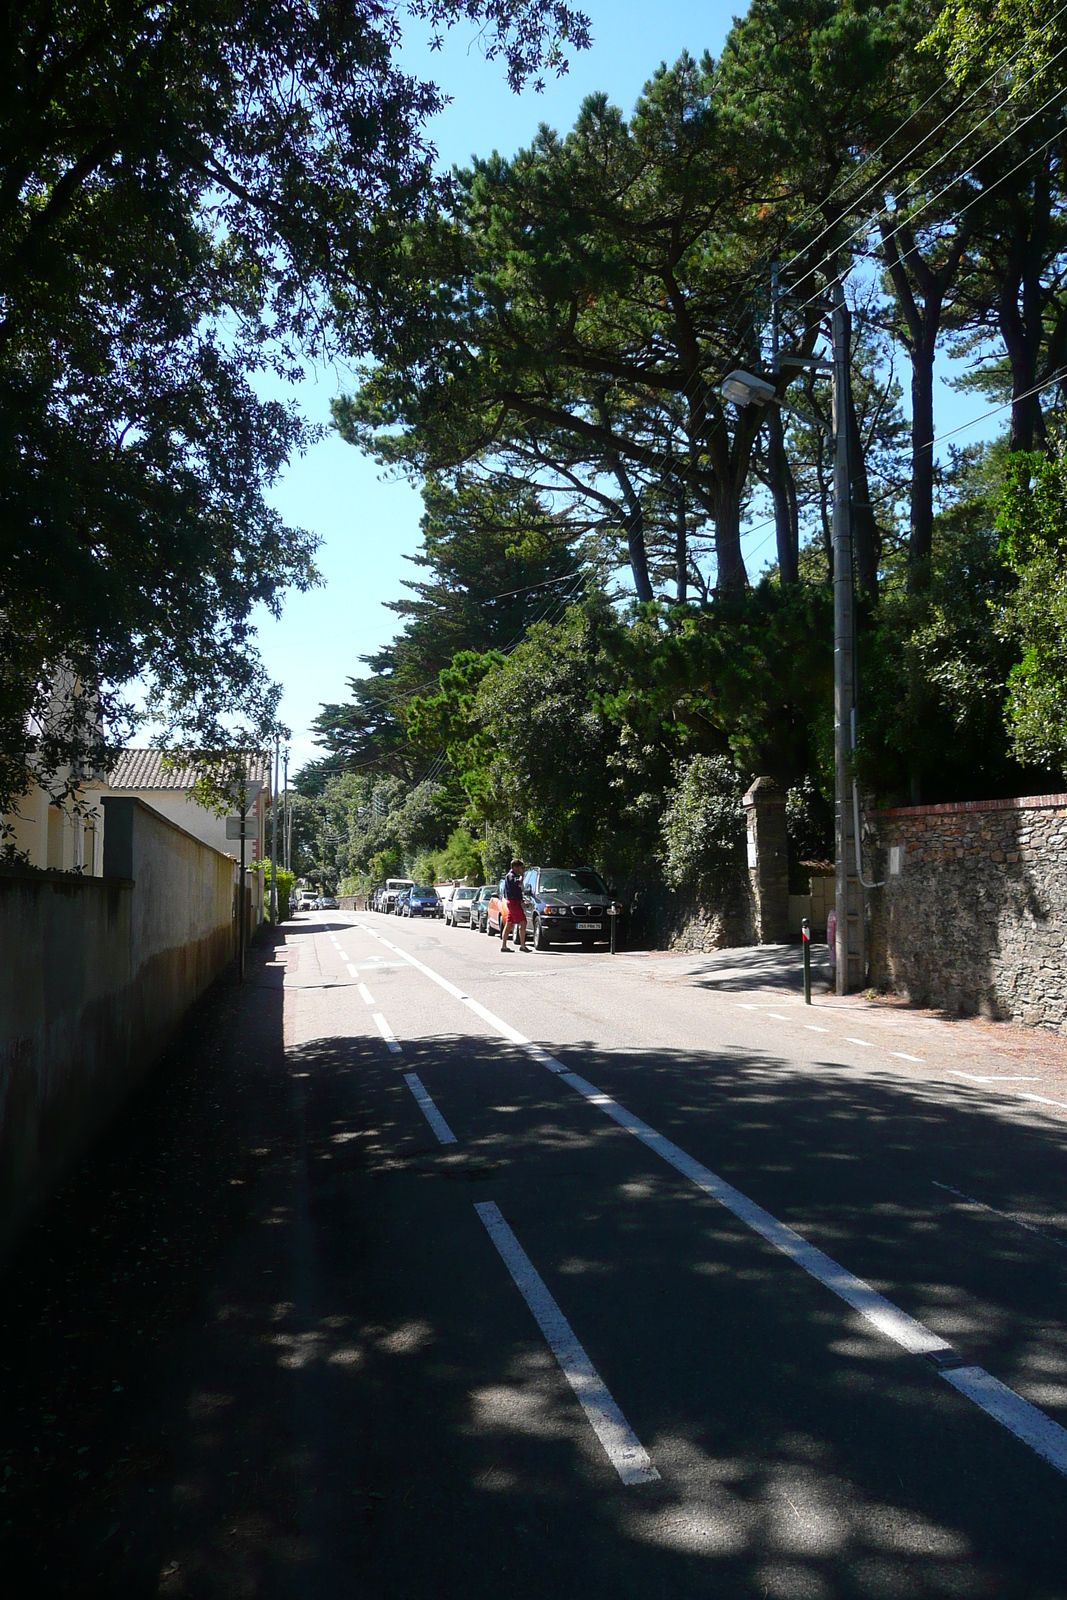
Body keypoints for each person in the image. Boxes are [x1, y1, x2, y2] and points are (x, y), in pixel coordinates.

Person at [500, 857, 528, 952]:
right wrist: (521, 877)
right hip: (513, 902)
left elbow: (517, 890)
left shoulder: (513, 876)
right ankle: (523, 946)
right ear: (515, 867)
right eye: (520, 867)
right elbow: (518, 885)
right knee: (523, 921)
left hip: (514, 901)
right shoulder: (511, 876)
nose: (521, 870)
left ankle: (504, 946)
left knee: (508, 925)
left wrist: (522, 900)